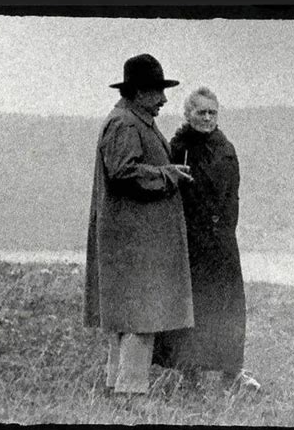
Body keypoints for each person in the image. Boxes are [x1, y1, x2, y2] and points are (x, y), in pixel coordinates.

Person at [83, 54, 195, 395]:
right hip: (133, 243)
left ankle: (116, 388)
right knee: (139, 318)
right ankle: (130, 393)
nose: (163, 99)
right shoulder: (126, 124)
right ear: (137, 92)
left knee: (129, 319)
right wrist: (167, 174)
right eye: (156, 91)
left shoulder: (132, 119)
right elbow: (123, 171)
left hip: (131, 241)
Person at [153, 87, 260, 392]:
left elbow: (232, 196)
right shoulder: (177, 148)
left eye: (212, 112)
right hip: (190, 242)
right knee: (193, 307)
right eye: (201, 112)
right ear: (188, 115)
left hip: (222, 242)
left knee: (228, 305)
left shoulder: (226, 148)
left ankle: (231, 371)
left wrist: (225, 231)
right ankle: (189, 374)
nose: (208, 118)